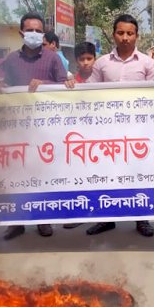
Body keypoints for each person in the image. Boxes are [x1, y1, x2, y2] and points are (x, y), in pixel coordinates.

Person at [86, 14, 154, 237]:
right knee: (107, 174)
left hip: (138, 132)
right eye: (121, 33)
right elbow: (88, 95)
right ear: (114, 35)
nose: (125, 38)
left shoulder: (149, 64)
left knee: (138, 174)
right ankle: (107, 219)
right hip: (108, 132)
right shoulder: (101, 64)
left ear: (137, 35)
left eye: (130, 33)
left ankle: (142, 219)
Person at [0, 12, 68, 240]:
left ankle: (43, 220)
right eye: (31, 30)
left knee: (41, 175)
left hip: (44, 129)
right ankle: (16, 222)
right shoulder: (10, 60)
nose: (35, 35)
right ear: (21, 33)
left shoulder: (52, 58)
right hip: (16, 129)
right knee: (16, 176)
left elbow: (65, 86)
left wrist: (46, 84)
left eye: (39, 31)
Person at [60, 41, 97, 231]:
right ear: (76, 61)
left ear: (95, 59)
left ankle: (103, 218)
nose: (85, 63)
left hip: (101, 136)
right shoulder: (71, 81)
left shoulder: (102, 81)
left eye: (89, 58)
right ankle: (79, 214)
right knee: (79, 177)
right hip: (79, 138)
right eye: (82, 59)